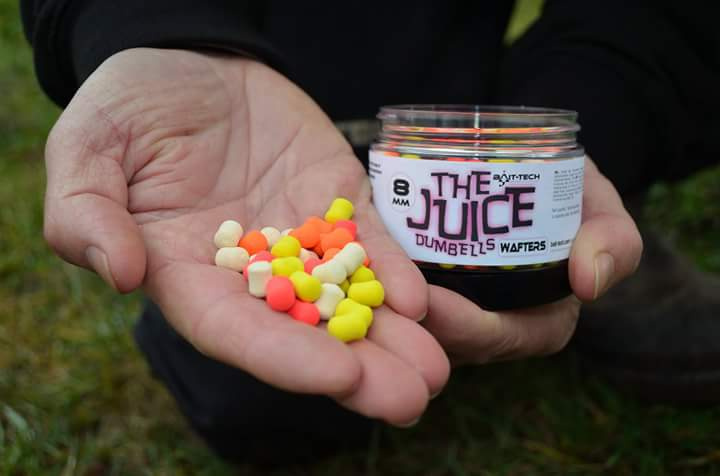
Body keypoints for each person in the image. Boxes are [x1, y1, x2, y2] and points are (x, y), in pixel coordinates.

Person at [20, 0, 717, 463]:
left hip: (479, 103)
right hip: (262, 85)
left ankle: (563, 223)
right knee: (263, 405)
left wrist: (606, 111)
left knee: (502, 281)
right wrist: (149, 26)